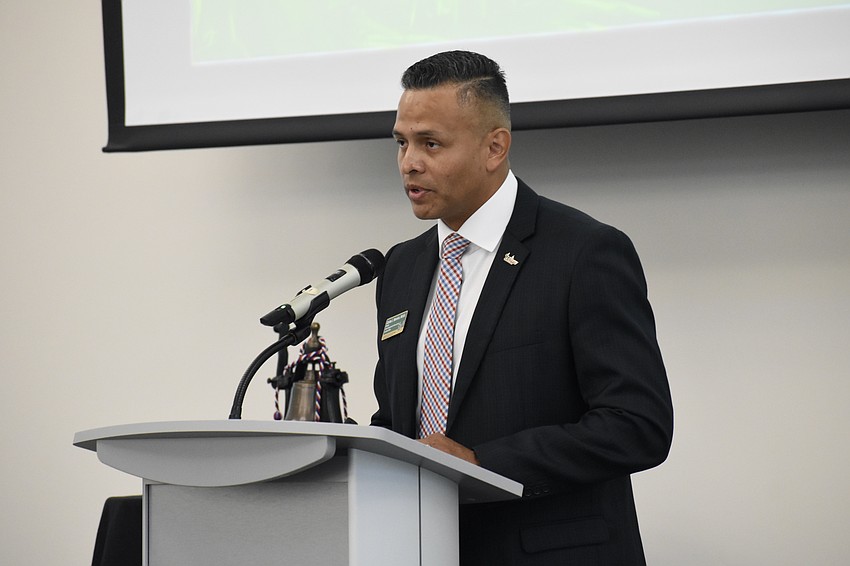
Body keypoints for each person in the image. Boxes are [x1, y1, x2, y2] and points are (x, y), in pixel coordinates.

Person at [371, 50, 673, 565]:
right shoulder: (400, 267)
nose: (409, 162)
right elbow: (402, 418)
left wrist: (481, 464)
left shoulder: (584, 252)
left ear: (495, 147)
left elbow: (637, 424)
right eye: (401, 142)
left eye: (431, 143)